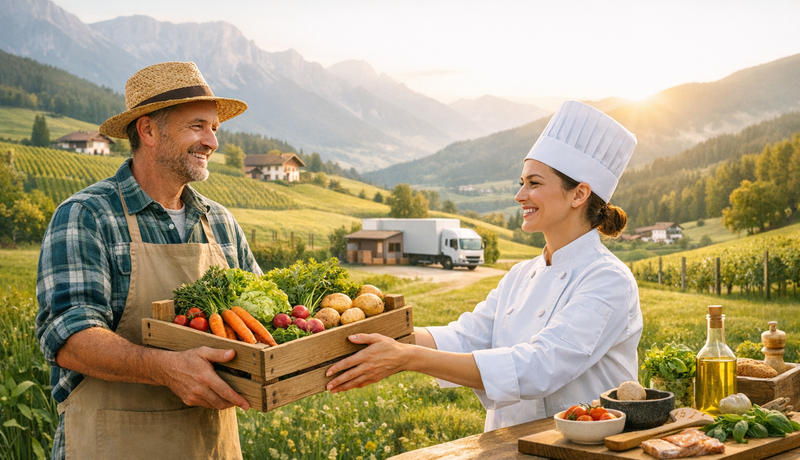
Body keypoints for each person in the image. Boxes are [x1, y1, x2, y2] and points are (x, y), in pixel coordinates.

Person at [326, 101, 643, 432]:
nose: (520, 195)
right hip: (506, 446)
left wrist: (407, 357)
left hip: (582, 450)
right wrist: (383, 335)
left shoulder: (609, 279)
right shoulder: (521, 275)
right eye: (522, 182)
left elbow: (540, 367)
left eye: (534, 183)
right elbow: (466, 337)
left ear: (579, 194)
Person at [36, 62, 259, 460]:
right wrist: (166, 369)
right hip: (111, 445)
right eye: (197, 126)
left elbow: (263, 319)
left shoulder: (221, 222)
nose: (212, 142)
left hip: (210, 447)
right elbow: (69, 338)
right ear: (148, 130)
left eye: (215, 129)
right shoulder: (87, 215)